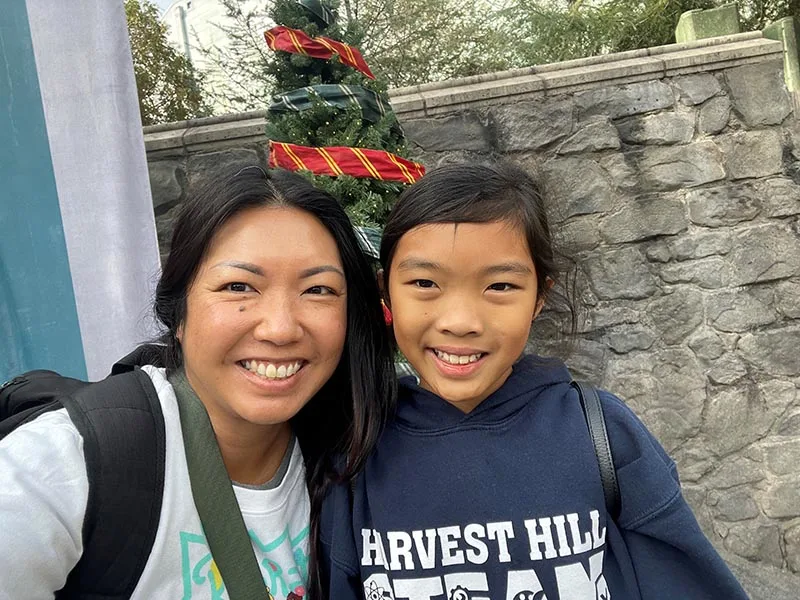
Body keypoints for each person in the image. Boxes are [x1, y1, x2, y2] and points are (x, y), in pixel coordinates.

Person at [320, 162, 748, 599]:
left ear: (539, 296)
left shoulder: (603, 434)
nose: (461, 322)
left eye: (500, 286)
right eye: (425, 282)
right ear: (386, 290)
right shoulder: (357, 453)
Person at [0, 166, 395, 600]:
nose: (281, 329)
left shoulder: (363, 453)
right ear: (179, 315)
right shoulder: (69, 464)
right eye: (239, 286)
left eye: (318, 290)